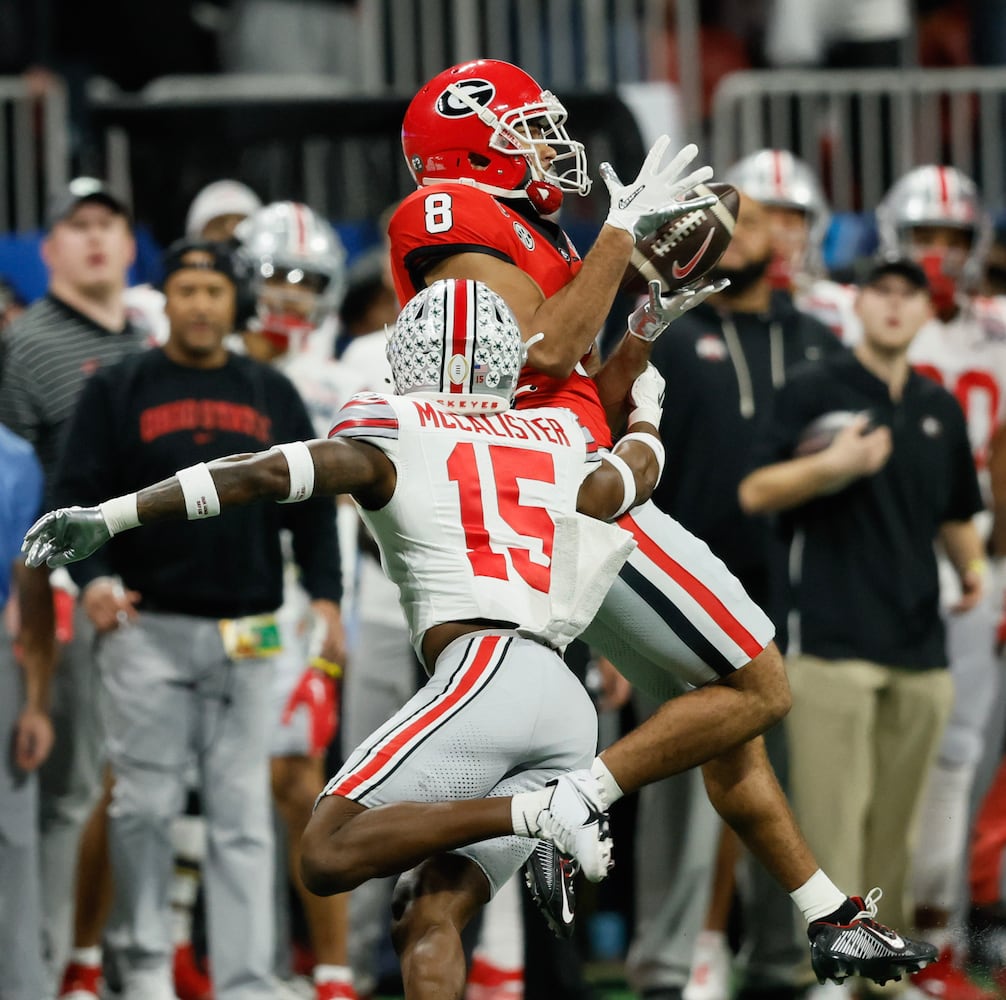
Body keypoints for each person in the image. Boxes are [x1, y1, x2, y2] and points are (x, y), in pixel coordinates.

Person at [385, 57, 935, 991]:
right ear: (471, 147)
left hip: (528, 512)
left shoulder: (539, 240)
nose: (551, 148)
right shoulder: (448, 217)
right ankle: (579, 800)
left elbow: (576, 383)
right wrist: (622, 239)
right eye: (527, 131)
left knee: (457, 877)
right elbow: (544, 351)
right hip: (551, 506)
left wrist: (642, 315)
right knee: (759, 683)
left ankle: (828, 914)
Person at [23, 276, 666, 1000]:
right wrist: (645, 392)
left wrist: (110, 518)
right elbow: (631, 477)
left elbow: (260, 473)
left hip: (486, 673)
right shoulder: (555, 438)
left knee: (326, 852)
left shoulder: (396, 428)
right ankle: (548, 808)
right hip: (562, 696)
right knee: (428, 911)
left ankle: (546, 811)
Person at [46, 238, 344, 1000]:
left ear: (232, 302)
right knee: (142, 806)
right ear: (166, 300)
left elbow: (308, 506)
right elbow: (76, 498)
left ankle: (246, 979)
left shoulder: (270, 391)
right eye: (186, 290)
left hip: (254, 630)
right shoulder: (119, 389)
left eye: (214, 291)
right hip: (149, 629)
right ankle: (142, 969)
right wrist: (96, 583)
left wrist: (324, 594)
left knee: (243, 808)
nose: (202, 305)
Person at [738, 256, 986, 999]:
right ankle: (830, 972)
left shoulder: (938, 406)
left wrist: (972, 570)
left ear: (924, 313)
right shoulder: (815, 390)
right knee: (831, 824)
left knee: (898, 830)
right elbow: (755, 490)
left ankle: (881, 975)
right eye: (881, 290)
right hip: (833, 635)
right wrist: (834, 465)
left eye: (910, 295)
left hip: (920, 643)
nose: (894, 305)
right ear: (862, 305)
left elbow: (953, 514)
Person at [634, 191, 845, 1000]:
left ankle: (779, 960)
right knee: (681, 791)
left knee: (787, 783)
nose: (738, 233)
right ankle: (670, 961)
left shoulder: (816, 341)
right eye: (726, 221)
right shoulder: (674, 339)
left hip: (793, 596)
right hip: (681, 593)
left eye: (752, 221)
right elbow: (637, 474)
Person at [0, 176, 145, 992]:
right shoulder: (27, 345)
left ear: (130, 247)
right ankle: (47, 964)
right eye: (77, 226)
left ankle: (105, 958)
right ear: (49, 248)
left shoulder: (150, 342)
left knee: (121, 789)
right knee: (62, 790)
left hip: (138, 593)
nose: (94, 239)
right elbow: (9, 480)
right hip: (51, 589)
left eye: (109, 225)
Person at [237, 199, 361, 999]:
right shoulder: (209, 355)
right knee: (222, 782)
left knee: (298, 783)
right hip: (231, 594)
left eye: (306, 280)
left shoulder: (346, 374)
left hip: (307, 600)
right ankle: (226, 957)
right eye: (276, 275)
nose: (289, 294)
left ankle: (333, 970)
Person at [0, 426, 56, 1000]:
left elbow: (32, 583)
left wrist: (37, 702)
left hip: (1, 654)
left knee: (11, 835)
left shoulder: (15, 459)